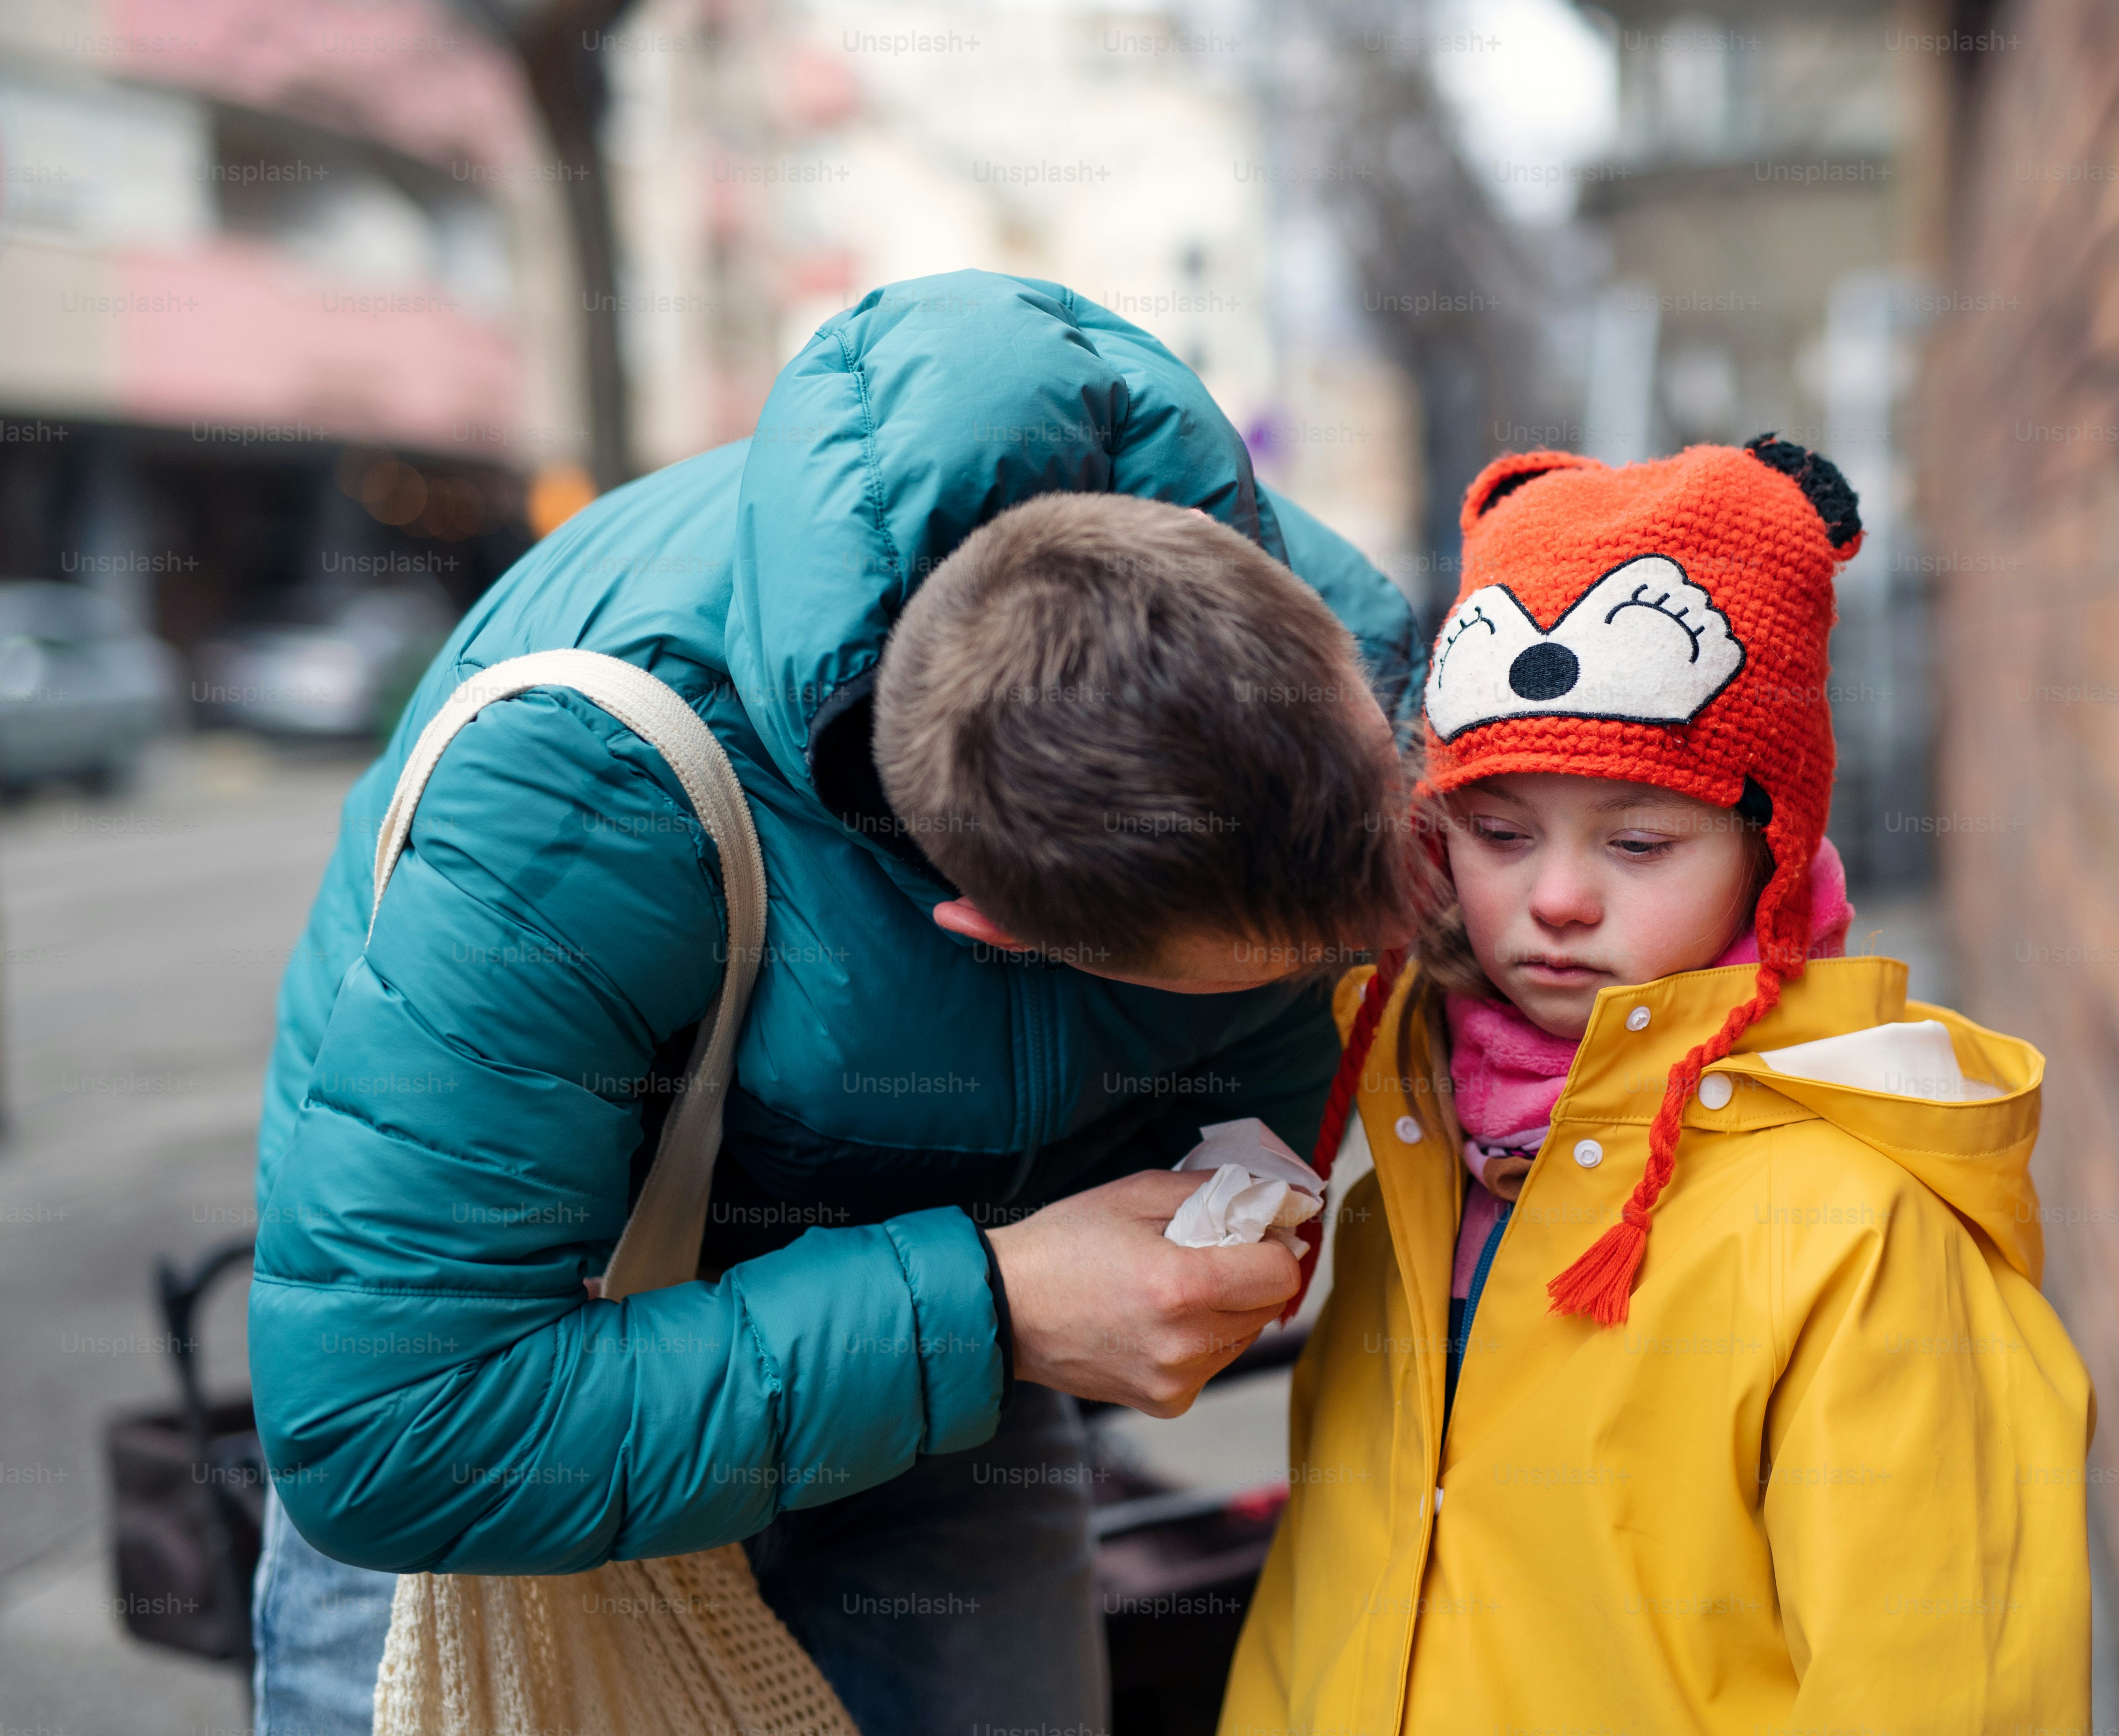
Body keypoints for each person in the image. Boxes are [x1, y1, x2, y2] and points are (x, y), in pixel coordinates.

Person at [245, 271, 1423, 1736]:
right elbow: (387, 1436)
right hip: (535, 1380)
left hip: (940, 1394)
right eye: (1277, 960)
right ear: (992, 927)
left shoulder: (1330, 649)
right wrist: (1000, 1308)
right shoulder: (573, 790)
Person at [1222, 440, 2096, 1735]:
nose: (1559, 899)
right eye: (1500, 831)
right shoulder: (1415, 1160)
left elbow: (1941, 1692)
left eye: (1639, 841)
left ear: (1771, 850)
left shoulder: (1862, 1238)